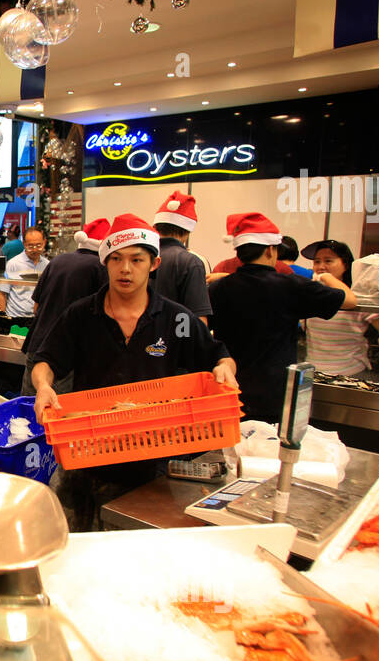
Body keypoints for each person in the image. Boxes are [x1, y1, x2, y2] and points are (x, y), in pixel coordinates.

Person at [32, 214, 238, 530]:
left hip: (148, 464)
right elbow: (46, 361)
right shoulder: (81, 315)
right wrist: (44, 386)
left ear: (153, 264)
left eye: (136, 259)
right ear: (105, 262)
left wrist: (224, 369)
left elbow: (219, 356)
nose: (125, 269)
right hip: (85, 458)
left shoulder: (175, 319)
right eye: (116, 259)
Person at [208, 213, 354, 423]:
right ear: (270, 250)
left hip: (230, 390)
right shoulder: (291, 285)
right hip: (274, 396)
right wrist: (327, 276)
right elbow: (349, 300)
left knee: (230, 452)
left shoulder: (219, 288)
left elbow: (204, 330)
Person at [18, 219, 108, 395]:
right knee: (57, 410)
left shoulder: (58, 260)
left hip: (37, 343)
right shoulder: (100, 268)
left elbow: (36, 307)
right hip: (65, 353)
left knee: (28, 408)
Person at [300, 239, 379, 376]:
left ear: (345, 264)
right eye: (317, 261)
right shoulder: (311, 294)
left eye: (328, 261)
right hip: (313, 372)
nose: (321, 266)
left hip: (351, 373)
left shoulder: (358, 295)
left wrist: (327, 278)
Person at [150, 191, 212, 325]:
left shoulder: (142, 257)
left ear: (156, 226)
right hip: (176, 339)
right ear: (187, 231)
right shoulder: (190, 262)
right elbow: (198, 319)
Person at [0, 225, 48, 317]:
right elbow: (2, 294)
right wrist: (2, 319)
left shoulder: (47, 265)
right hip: (15, 317)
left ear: (44, 242)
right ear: (24, 244)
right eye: (30, 246)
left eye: (38, 245)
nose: (34, 249)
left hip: (37, 318)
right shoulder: (13, 264)